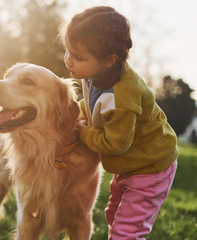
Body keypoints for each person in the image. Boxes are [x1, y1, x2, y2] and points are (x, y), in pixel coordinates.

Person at [62, 6, 178, 240]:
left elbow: (115, 143)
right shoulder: (95, 75)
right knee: (114, 215)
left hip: (150, 167)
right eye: (67, 51)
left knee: (127, 231)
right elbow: (93, 106)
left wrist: (83, 132)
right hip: (129, 165)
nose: (68, 61)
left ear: (110, 60)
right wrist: (77, 114)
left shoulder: (123, 98)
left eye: (78, 57)